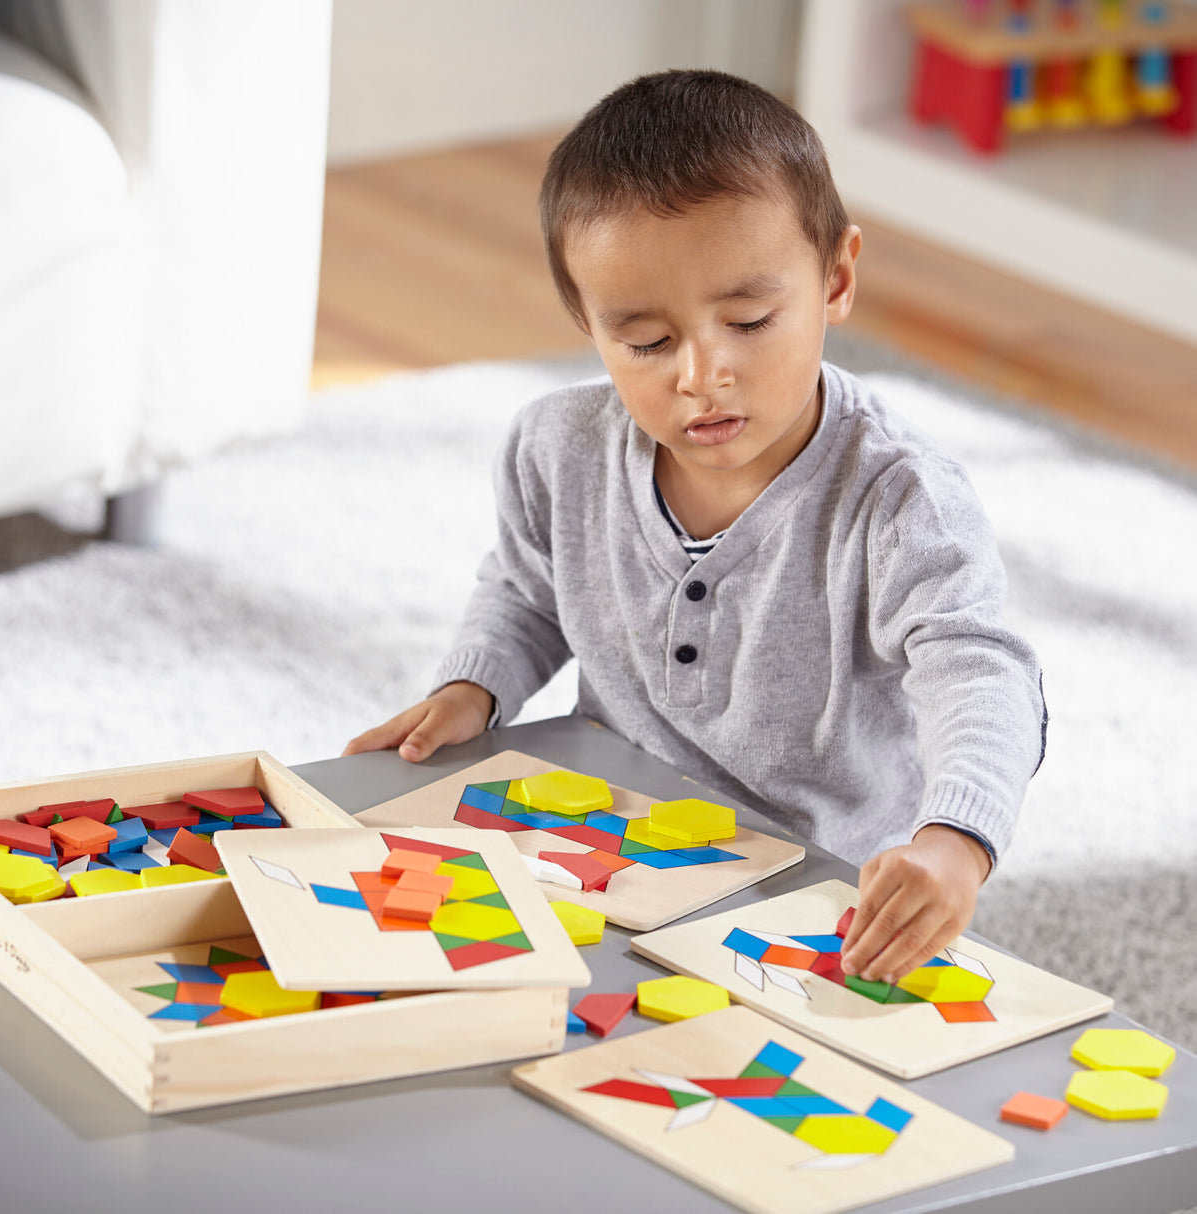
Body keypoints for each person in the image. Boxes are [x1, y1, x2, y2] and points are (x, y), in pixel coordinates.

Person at [345, 69, 1047, 987]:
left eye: (750, 320)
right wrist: (476, 686)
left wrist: (956, 840)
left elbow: (986, 676)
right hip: (605, 832)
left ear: (835, 277)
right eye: (644, 342)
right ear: (586, 325)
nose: (700, 374)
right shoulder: (557, 447)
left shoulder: (899, 499)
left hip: (817, 884)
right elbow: (525, 591)